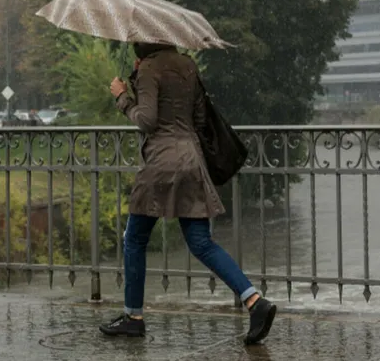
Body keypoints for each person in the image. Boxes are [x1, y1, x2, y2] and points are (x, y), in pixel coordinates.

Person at [100, 43, 276, 344]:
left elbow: (147, 120)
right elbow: (197, 120)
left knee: (135, 239)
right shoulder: (188, 65)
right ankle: (254, 301)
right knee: (201, 242)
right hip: (192, 160)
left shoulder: (148, 69)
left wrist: (122, 97)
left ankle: (133, 316)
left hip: (162, 163)